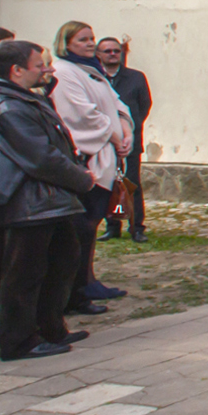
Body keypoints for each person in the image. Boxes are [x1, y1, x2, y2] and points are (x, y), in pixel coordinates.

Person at [0, 41, 96, 363]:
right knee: (25, 274)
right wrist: (81, 178)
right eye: (38, 64)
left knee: (63, 259)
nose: (47, 69)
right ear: (16, 70)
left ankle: (50, 328)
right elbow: (41, 158)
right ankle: (19, 342)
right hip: (29, 201)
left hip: (49, 199)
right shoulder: (9, 107)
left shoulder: (25, 97)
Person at [50, 21, 134, 311]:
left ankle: (87, 279)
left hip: (109, 151)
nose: (89, 44)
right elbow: (83, 114)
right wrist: (115, 136)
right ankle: (76, 289)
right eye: (82, 39)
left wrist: (127, 130)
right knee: (81, 228)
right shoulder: (64, 72)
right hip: (89, 156)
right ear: (66, 43)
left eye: (91, 39)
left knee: (92, 222)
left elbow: (117, 104)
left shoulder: (93, 72)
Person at [98, 36, 152, 242]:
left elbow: (144, 106)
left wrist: (130, 128)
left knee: (131, 184)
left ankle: (137, 227)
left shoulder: (136, 77)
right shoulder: (95, 78)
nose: (112, 54)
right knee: (109, 184)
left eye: (116, 51)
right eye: (107, 51)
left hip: (130, 141)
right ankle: (112, 225)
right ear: (99, 55)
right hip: (104, 140)